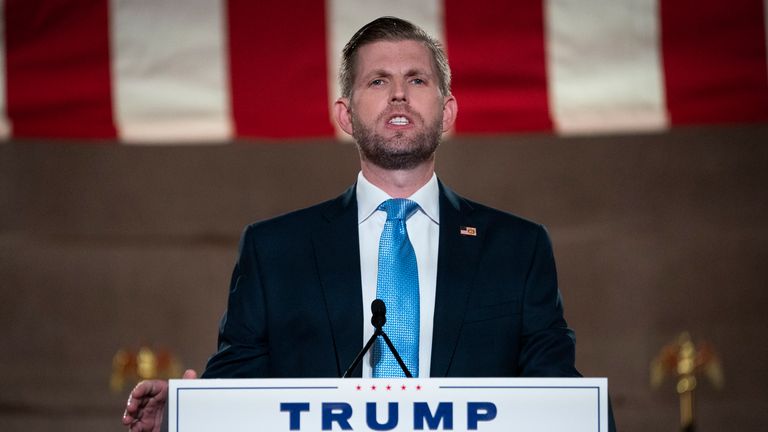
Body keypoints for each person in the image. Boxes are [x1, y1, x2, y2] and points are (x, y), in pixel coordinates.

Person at [123, 16, 615, 431]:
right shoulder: (274, 250)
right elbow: (241, 385)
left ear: (447, 113)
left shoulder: (517, 248)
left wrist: (589, 415)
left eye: (416, 80)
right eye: (377, 81)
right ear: (345, 114)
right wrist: (187, 410)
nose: (398, 95)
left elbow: (555, 391)